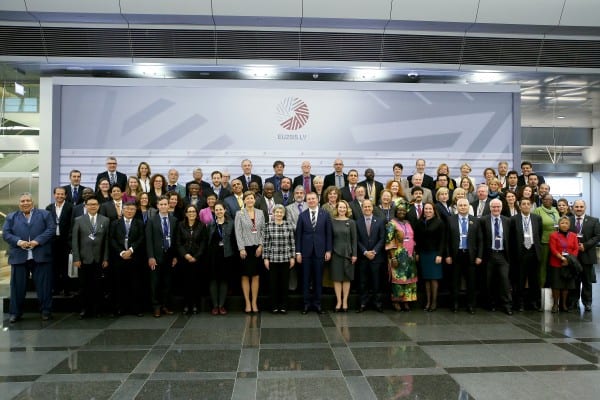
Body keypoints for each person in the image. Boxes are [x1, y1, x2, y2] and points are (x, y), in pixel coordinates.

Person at [3, 193, 55, 323]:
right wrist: (19, 242)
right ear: (19, 204)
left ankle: (46, 311)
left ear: (32, 202)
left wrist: (37, 241)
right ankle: (15, 313)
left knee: (44, 286)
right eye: (22, 201)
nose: (25, 203)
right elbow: (6, 234)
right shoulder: (11, 217)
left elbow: (51, 229)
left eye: (27, 200)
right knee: (17, 287)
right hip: (19, 257)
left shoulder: (44, 214)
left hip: (41, 255)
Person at [72, 195, 110, 319]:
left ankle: (97, 310)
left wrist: (105, 258)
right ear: (86, 206)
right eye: (90, 204)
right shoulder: (79, 220)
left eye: (95, 204)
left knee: (98, 286)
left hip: (99, 259)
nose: (93, 206)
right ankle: (84, 309)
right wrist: (76, 258)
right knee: (83, 286)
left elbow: (106, 241)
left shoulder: (105, 220)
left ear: (98, 206)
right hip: (83, 259)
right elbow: (75, 241)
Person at [296, 192, 333, 314]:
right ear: (306, 201)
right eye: (309, 199)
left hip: (320, 252)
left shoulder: (325, 215)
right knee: (306, 279)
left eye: (313, 199)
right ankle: (306, 304)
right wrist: (298, 253)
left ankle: (317, 304)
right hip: (305, 253)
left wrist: (328, 250)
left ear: (318, 200)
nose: (311, 201)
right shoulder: (302, 216)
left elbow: (328, 234)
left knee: (318, 279)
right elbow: (298, 236)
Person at [445, 198, 482, 314]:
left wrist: (479, 256)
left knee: (471, 282)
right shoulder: (450, 220)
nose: (463, 207)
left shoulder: (475, 220)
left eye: (465, 205)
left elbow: (480, 240)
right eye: (460, 205)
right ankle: (454, 304)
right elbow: (446, 240)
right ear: (457, 207)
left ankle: (471, 305)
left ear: (468, 206)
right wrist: (447, 255)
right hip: (456, 254)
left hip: (471, 255)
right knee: (454, 281)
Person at [109, 201, 145, 316]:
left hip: (134, 258)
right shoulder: (115, 223)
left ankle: (136, 309)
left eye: (132, 209)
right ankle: (119, 308)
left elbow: (141, 238)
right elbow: (112, 239)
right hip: (119, 258)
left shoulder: (139, 223)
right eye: (127, 209)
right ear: (122, 210)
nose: (129, 211)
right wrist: (121, 252)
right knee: (119, 284)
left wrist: (131, 250)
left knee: (135, 284)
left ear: (135, 211)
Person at [146, 196, 178, 317]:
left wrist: (175, 256)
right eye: (162, 204)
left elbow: (175, 240)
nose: (164, 206)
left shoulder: (174, 220)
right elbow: (149, 240)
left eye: (166, 204)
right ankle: (156, 307)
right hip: (156, 256)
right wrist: (150, 257)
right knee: (155, 283)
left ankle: (165, 306)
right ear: (157, 206)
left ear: (169, 205)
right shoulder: (151, 220)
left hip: (169, 256)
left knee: (167, 283)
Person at [479, 198, 513, 315]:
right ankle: (490, 304)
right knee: (488, 281)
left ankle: (507, 305)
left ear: (501, 208)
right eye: (493, 207)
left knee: (504, 280)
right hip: (489, 255)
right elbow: (481, 239)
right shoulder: (483, 220)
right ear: (490, 208)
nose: (496, 209)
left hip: (503, 255)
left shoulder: (507, 221)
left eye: (498, 207)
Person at [509, 198, 542, 311]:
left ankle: (533, 302)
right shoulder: (513, 219)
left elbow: (539, 234)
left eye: (528, 204)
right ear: (520, 206)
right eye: (524, 204)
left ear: (531, 206)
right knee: (520, 279)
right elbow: (511, 238)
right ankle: (520, 303)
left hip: (533, 251)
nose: (526, 206)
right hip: (520, 252)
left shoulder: (537, 218)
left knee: (534, 279)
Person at [235, 191, 265, 314]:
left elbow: (263, 230)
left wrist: (261, 246)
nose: (250, 200)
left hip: (257, 248)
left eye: (251, 198)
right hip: (245, 249)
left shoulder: (260, 213)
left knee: (256, 276)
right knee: (245, 275)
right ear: (244, 200)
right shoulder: (239, 213)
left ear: (254, 200)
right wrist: (241, 248)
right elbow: (238, 232)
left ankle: (254, 302)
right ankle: (247, 302)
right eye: (247, 198)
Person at [262, 204, 296, 314]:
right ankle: (274, 306)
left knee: (284, 283)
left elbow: (292, 242)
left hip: (286, 258)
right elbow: (266, 243)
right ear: (273, 213)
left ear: (284, 214)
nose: (279, 214)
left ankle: (283, 306)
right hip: (273, 258)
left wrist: (292, 257)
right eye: (277, 212)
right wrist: (265, 258)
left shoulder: (288, 225)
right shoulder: (268, 226)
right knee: (273, 284)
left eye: (281, 212)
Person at [568, 200, 600, 312]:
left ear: (585, 208)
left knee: (587, 280)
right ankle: (573, 301)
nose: (579, 209)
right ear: (573, 208)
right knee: (574, 279)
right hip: (573, 256)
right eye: (577, 207)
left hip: (587, 254)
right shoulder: (568, 220)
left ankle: (587, 303)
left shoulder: (594, 220)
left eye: (581, 206)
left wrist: (585, 246)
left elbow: (597, 236)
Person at [356, 200, 387, 313]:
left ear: (372, 208)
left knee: (376, 282)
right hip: (363, 257)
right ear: (362, 208)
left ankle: (377, 303)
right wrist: (365, 252)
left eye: (369, 206)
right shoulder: (357, 222)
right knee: (363, 282)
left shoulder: (379, 221)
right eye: (365, 207)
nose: (367, 208)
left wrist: (374, 251)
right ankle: (363, 303)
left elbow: (382, 238)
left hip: (376, 257)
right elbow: (357, 240)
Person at [176, 204, 208, 315]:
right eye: (189, 211)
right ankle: (186, 305)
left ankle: (195, 305)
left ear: (197, 213)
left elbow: (204, 243)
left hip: (197, 259)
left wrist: (196, 256)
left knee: (196, 282)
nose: (191, 213)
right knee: (185, 283)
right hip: (184, 259)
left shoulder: (202, 225)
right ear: (185, 214)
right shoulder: (180, 225)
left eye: (193, 211)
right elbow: (178, 243)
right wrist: (185, 255)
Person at [414, 202, 446, 311]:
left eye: (430, 209)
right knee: (426, 279)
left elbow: (443, 240)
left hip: (434, 254)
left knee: (434, 279)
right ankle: (427, 302)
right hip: (423, 254)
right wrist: (417, 253)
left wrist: (440, 255)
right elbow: (417, 240)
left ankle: (434, 302)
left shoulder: (439, 222)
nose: (428, 211)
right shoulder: (419, 223)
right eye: (426, 209)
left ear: (434, 210)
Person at [386, 203, 418, 312]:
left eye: (404, 210)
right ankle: (396, 301)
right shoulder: (391, 224)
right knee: (398, 280)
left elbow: (413, 238)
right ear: (395, 211)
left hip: (409, 256)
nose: (401, 212)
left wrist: (414, 253)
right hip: (398, 255)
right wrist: (393, 257)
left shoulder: (408, 223)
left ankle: (406, 301)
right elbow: (389, 241)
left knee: (409, 279)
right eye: (399, 210)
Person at [207, 202, 235, 315]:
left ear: (225, 210)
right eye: (216, 210)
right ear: (214, 211)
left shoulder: (231, 223)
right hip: (213, 256)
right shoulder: (210, 225)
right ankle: (214, 306)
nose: (219, 212)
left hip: (226, 255)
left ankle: (221, 306)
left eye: (220, 209)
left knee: (224, 280)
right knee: (213, 280)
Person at [46, 187, 73, 296]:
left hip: (65, 241)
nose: (60, 196)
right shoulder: (49, 208)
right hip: (53, 241)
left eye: (62, 194)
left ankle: (66, 289)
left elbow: (72, 224)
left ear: (65, 195)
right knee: (54, 265)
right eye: (58, 194)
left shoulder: (71, 207)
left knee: (66, 265)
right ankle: (55, 288)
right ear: (54, 195)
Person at [330, 200, 357, 312]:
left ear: (347, 209)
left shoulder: (351, 222)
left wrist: (354, 254)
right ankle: (338, 301)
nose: (342, 209)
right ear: (337, 209)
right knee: (337, 278)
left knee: (346, 278)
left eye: (344, 208)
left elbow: (354, 240)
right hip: (335, 253)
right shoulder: (332, 221)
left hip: (348, 254)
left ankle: (345, 301)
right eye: (340, 207)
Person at [548, 217, 579, 313]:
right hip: (556, 263)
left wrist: (569, 260)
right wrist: (562, 258)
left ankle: (564, 305)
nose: (564, 225)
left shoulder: (573, 235)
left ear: (569, 225)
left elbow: (576, 249)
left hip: (568, 264)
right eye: (562, 223)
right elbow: (553, 249)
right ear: (559, 224)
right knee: (556, 285)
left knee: (566, 286)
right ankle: (555, 305)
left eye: (566, 223)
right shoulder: (553, 235)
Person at [533, 193, 560, 288]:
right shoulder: (538, 210)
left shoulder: (555, 210)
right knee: (543, 266)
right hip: (544, 242)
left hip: (556, 242)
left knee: (554, 266)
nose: (548, 201)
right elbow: (534, 227)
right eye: (546, 199)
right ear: (542, 200)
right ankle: (541, 287)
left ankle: (553, 288)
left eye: (550, 199)